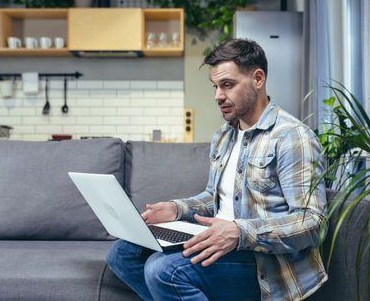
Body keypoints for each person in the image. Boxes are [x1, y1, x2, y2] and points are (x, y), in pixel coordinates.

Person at [107, 38, 328, 301]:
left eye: (227, 85)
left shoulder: (292, 137)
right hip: (222, 243)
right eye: (215, 86)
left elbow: (312, 223)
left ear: (258, 79)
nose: (218, 96)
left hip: (264, 262)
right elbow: (214, 197)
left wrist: (239, 231)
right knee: (122, 254)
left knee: (162, 270)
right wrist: (177, 209)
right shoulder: (224, 136)